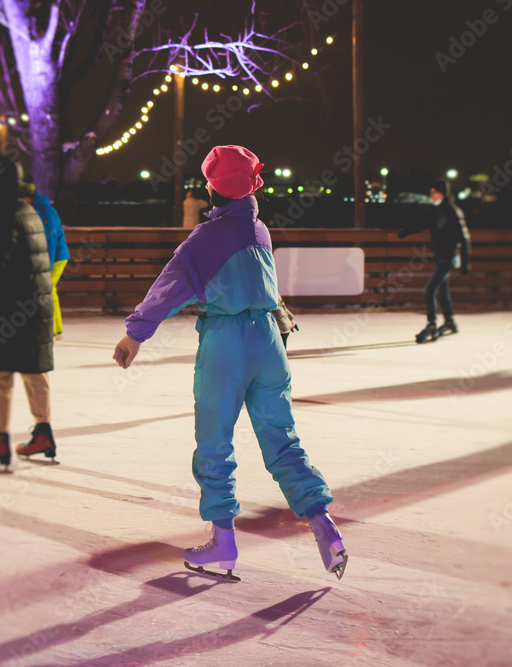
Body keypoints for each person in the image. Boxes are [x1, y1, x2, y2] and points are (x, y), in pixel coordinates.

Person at [113, 145, 347, 580]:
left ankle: (223, 543)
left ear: (211, 187)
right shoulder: (259, 232)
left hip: (226, 344)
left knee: (215, 443)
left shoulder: (204, 241)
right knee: (282, 438)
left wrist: (135, 333)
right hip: (269, 342)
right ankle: (324, 523)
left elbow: (168, 288)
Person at [0, 157, 58, 467]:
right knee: (34, 371)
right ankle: (43, 432)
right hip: (35, 304)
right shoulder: (27, 210)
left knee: (0, 374)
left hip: (13, 307)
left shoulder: (5, 213)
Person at [398, 179, 471, 343]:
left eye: (433, 192)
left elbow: (464, 237)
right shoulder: (436, 211)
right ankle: (450, 321)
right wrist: (406, 231)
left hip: (449, 258)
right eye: (430, 192)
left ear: (442, 193)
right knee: (442, 291)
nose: (431, 195)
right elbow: (421, 222)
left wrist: (465, 262)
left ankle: (431, 324)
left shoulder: (453, 211)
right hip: (440, 256)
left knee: (429, 290)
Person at [21, 180, 71, 339]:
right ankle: (55, 330)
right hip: (51, 256)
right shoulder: (36, 209)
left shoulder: (44, 211)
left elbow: (50, 241)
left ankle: (54, 330)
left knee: (47, 289)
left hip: (55, 257)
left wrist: (46, 267)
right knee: (48, 290)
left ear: (28, 197)